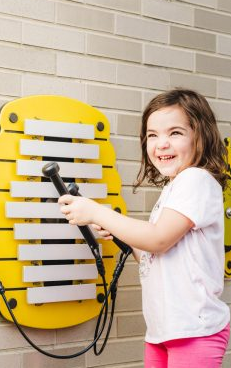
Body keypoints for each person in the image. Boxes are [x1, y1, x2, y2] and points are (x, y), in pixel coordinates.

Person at [58, 89, 230, 367]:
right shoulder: (175, 188)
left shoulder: (196, 180)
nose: (161, 144)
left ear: (201, 136)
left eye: (175, 133)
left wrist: (96, 211)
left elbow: (158, 239)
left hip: (194, 331)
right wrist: (118, 230)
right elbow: (155, 255)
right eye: (153, 135)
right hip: (163, 330)